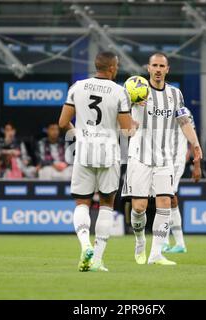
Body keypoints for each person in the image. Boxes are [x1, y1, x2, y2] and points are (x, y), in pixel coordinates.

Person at [122, 52, 202, 266]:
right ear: (148, 68)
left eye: (161, 66)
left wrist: (195, 145)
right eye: (154, 65)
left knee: (165, 201)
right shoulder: (136, 92)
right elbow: (125, 126)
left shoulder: (176, 94)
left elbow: (184, 122)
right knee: (139, 207)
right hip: (139, 157)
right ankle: (139, 241)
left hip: (165, 158)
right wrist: (129, 126)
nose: (158, 69)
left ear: (167, 69)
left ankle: (156, 253)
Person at [59, 51, 136, 272]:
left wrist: (79, 135)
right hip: (109, 152)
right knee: (106, 204)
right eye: (117, 65)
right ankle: (98, 259)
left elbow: (63, 122)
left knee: (82, 203)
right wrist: (135, 124)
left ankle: (85, 246)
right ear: (112, 68)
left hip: (83, 150)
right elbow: (126, 130)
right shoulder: (120, 92)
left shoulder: (77, 87)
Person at [163, 126, 202, 254]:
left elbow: (193, 139)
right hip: (161, 159)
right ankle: (178, 244)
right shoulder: (160, 108)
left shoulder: (184, 113)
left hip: (175, 161)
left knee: (166, 196)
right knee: (169, 198)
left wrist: (196, 165)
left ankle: (165, 242)